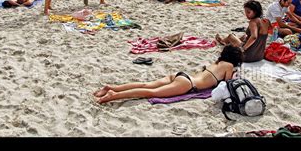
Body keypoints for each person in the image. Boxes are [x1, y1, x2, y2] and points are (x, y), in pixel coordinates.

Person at [93, 45, 243, 104]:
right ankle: (112, 95)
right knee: (149, 92)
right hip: (188, 84)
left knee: (146, 85)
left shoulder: (215, 63)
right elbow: (228, 84)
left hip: (180, 75)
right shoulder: (229, 66)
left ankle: (111, 87)